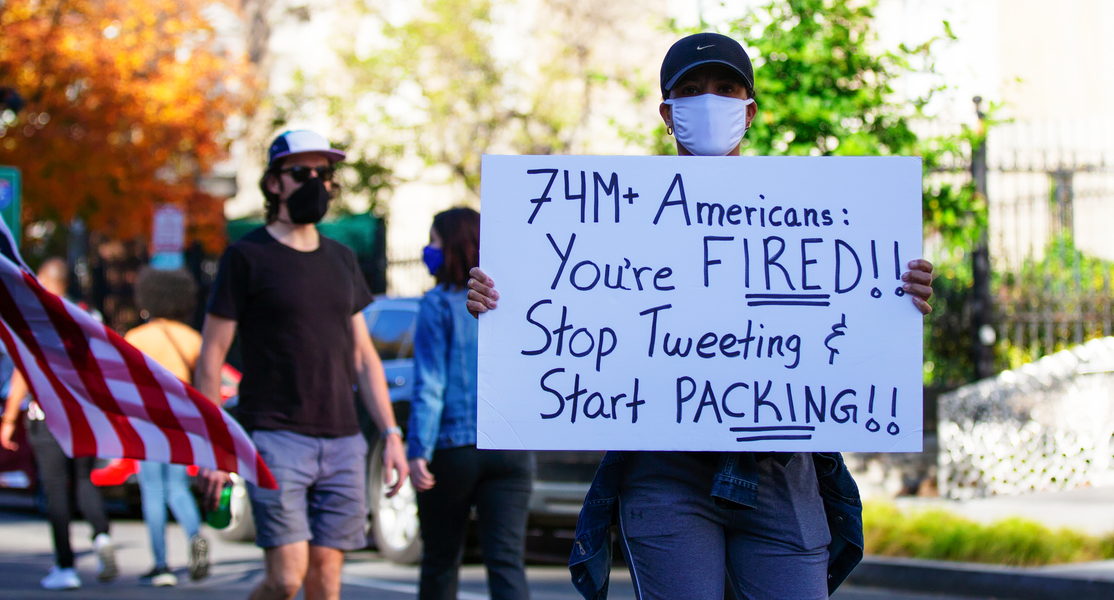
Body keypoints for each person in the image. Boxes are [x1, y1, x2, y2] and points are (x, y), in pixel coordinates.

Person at [465, 33, 937, 600]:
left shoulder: (810, 206)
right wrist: (502, 303)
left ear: (749, 109)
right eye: (689, 91)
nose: (707, 100)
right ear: (667, 114)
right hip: (666, 473)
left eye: (724, 87)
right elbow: (569, 297)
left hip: (781, 472)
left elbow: (850, 308)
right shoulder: (620, 215)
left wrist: (897, 293)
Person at [194, 129, 409, 600]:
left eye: (323, 173)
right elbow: (210, 357)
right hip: (274, 436)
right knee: (286, 579)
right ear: (274, 184)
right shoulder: (246, 256)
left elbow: (363, 355)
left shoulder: (342, 259)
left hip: (344, 441)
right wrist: (216, 446)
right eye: (300, 173)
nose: (315, 182)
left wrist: (391, 434)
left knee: (326, 580)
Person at [407, 208, 532, 600]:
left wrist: (417, 451)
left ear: (454, 245)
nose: (428, 249)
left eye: (434, 241)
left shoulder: (437, 304)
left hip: (453, 447)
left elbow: (430, 384)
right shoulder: (508, 300)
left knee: (441, 561)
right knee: (507, 561)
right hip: (510, 447)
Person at [0, 257, 118, 591]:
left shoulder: (37, 318)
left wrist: (10, 417)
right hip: (83, 415)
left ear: (45, 281)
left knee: (55, 488)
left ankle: (66, 566)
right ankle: (102, 534)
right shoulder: (87, 318)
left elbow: (24, 370)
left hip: (48, 415)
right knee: (83, 479)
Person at [123, 267, 211, 587]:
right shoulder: (193, 339)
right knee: (177, 487)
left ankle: (161, 564)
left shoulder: (135, 338)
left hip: (147, 420)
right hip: (181, 421)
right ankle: (195, 535)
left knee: (153, 491)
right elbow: (204, 384)